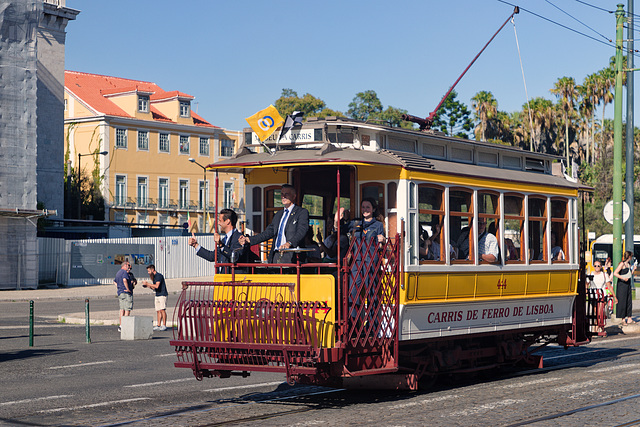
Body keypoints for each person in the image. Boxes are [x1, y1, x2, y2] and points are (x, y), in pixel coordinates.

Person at [239, 184, 309, 264]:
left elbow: (302, 231)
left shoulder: (301, 212)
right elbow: (268, 233)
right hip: (276, 255)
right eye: (282, 194)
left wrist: (289, 243)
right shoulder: (278, 214)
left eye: (287, 194)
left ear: (294, 196)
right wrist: (249, 239)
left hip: (292, 256)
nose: (283, 197)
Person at [347, 198, 385, 324]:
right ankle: (353, 323)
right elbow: (343, 231)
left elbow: (381, 246)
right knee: (353, 291)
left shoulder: (378, 225)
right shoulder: (356, 224)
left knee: (371, 292)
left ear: (373, 209)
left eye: (368, 207)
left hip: (370, 261)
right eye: (363, 207)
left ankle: (372, 325)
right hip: (357, 261)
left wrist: (382, 240)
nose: (365, 210)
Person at [189, 208, 247, 273]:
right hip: (222, 279)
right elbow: (212, 256)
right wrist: (195, 245)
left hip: (233, 280)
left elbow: (234, 257)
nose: (218, 223)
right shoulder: (224, 239)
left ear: (227, 221)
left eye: (220, 220)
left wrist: (221, 245)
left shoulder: (240, 238)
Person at [589, 261, 617, 334]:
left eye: (598, 266)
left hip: (602, 295)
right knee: (596, 314)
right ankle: (600, 327)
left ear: (601, 267)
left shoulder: (604, 275)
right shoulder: (591, 274)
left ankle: (596, 329)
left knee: (599, 313)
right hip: (593, 296)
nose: (596, 267)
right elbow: (587, 284)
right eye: (595, 266)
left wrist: (614, 296)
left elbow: (609, 287)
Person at [142, 264, 168, 331]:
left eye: (149, 271)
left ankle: (164, 325)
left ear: (152, 270)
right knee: (158, 310)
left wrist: (148, 283)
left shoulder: (158, 276)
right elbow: (154, 287)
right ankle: (158, 325)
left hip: (162, 294)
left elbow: (157, 286)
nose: (148, 273)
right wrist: (148, 286)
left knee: (162, 310)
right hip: (157, 294)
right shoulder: (153, 277)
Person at [614, 250, 636, 325]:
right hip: (622, 285)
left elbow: (629, 274)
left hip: (627, 284)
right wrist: (622, 278)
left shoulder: (629, 264)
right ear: (629, 257)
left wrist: (633, 270)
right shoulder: (622, 264)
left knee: (629, 301)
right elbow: (615, 273)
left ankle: (629, 318)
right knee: (622, 301)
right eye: (631, 256)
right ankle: (623, 319)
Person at [114, 261, 133, 332]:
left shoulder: (118, 272)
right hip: (126, 293)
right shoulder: (124, 272)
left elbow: (114, 281)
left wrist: (119, 287)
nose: (129, 267)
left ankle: (121, 325)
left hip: (120, 292)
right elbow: (124, 280)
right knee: (127, 309)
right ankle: (125, 326)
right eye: (128, 265)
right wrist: (127, 289)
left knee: (122, 309)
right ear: (124, 265)